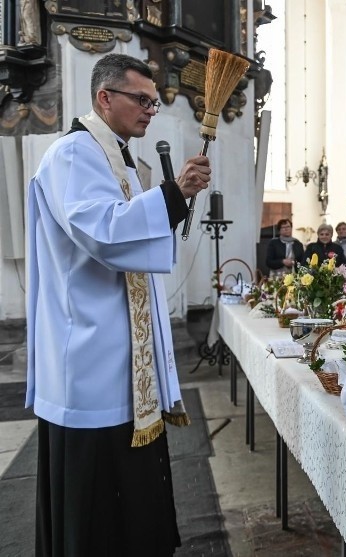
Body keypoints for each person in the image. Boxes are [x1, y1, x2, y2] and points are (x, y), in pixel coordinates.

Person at [26, 53, 211, 556]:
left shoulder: (117, 156)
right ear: (105, 98)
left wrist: (173, 195)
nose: (152, 109)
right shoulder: (72, 155)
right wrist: (172, 194)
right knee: (96, 510)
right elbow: (104, 231)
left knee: (128, 501)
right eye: (143, 100)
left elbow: (135, 235)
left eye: (154, 101)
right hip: (90, 357)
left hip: (121, 357)